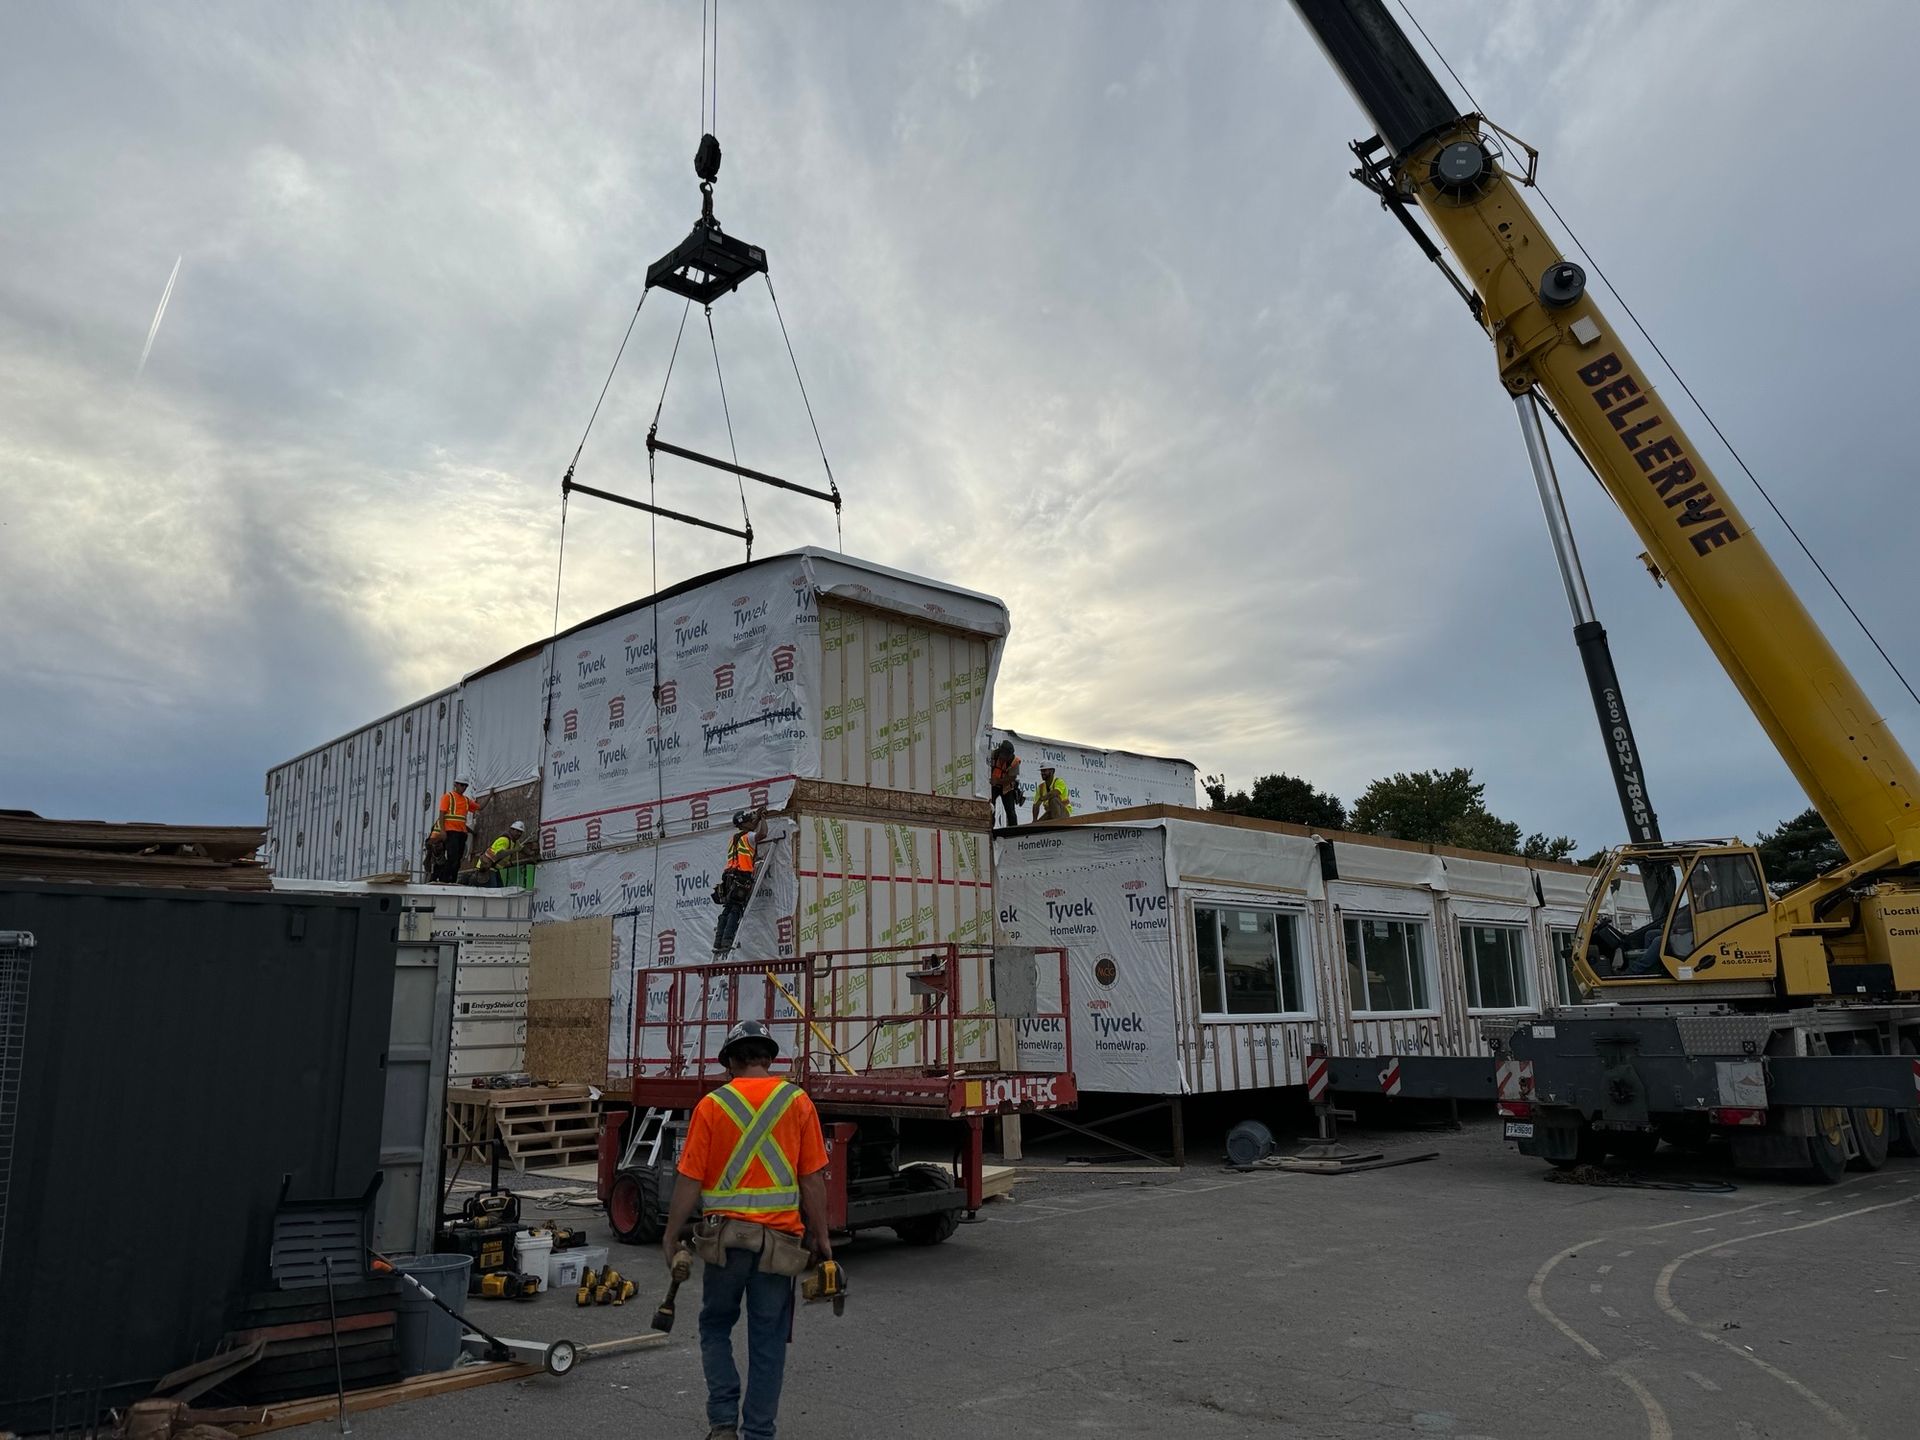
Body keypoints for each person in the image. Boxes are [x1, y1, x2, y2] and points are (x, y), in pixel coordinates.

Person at [662, 1020, 831, 1440]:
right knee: (768, 1342)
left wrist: (671, 1234)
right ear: (768, 1059)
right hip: (779, 1247)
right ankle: (758, 1433)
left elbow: (690, 1180)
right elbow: (812, 1179)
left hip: (725, 1243)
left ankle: (722, 1424)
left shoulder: (712, 1105)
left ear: (732, 1062)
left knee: (716, 1326)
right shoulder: (797, 1101)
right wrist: (822, 1237)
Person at [712, 810, 761, 957]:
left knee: (726, 910)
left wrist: (757, 817)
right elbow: (762, 834)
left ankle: (719, 941)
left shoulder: (734, 838)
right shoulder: (749, 837)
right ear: (745, 823)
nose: (753, 822)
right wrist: (762, 820)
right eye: (750, 820)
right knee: (735, 909)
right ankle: (727, 940)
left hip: (729, 877)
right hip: (742, 877)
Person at [430, 779, 481, 882]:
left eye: (465, 786)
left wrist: (490, 795)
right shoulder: (448, 797)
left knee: (457, 859)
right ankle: (444, 880)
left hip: (461, 833)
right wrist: (443, 831)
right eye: (462, 785)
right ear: (456, 785)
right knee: (452, 857)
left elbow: (479, 807)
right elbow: (442, 814)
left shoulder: (466, 800)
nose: (464, 788)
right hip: (450, 832)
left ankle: (452, 880)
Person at [477, 820, 529, 886]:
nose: (519, 834)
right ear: (511, 830)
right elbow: (499, 854)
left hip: (494, 869)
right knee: (494, 891)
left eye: (521, 832)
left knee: (500, 889)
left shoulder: (514, 842)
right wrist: (515, 850)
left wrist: (531, 853)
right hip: (487, 868)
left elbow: (522, 848)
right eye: (517, 831)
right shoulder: (504, 840)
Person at [988, 738, 1024, 828]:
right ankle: (990, 829)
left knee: (1011, 812)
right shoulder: (992, 755)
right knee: (990, 809)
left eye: (1007, 756)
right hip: (993, 787)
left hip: (1007, 788)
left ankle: (1014, 832)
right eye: (1004, 755)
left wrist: (997, 781)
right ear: (1000, 752)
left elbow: (1011, 778)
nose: (1005, 758)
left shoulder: (1014, 762)